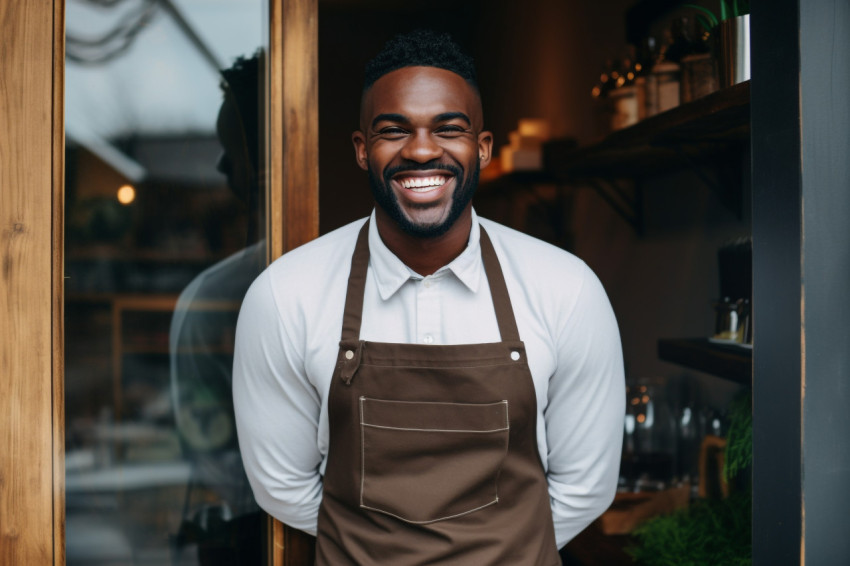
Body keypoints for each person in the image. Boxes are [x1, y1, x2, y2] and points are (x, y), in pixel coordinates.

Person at [233, 30, 625, 565]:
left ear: (482, 148)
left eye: (449, 129)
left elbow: (586, 486)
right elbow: (281, 484)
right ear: (361, 150)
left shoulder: (567, 289)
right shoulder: (284, 295)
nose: (421, 150)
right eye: (393, 130)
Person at [170, 53, 265, 565]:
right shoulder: (216, 297)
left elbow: (209, 458)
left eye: (233, 149)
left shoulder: (212, 300)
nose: (221, 165)